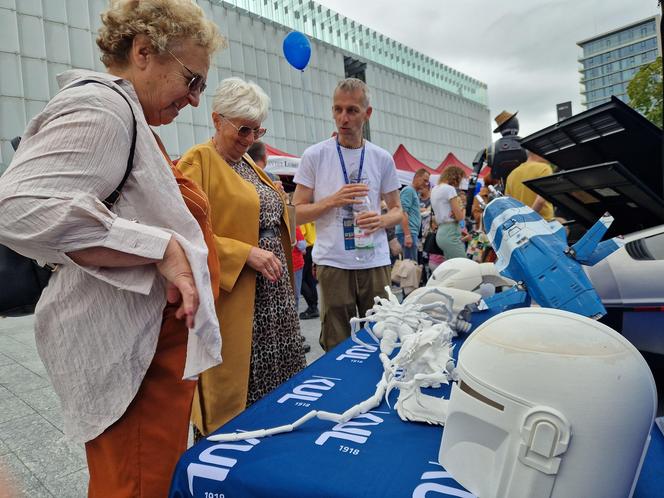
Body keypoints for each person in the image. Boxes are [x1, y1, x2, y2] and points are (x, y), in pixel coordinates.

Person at [0, 1, 224, 496]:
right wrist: (159, 247)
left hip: (147, 355)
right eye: (192, 80)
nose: (193, 99)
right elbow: (15, 206)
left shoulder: (127, 114)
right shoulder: (104, 106)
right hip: (137, 361)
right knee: (137, 485)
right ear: (144, 52)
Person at [177, 77, 306, 438]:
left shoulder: (248, 163)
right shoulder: (198, 161)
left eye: (257, 130)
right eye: (243, 129)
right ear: (217, 120)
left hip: (272, 303)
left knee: (275, 393)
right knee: (237, 397)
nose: (250, 138)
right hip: (239, 302)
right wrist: (243, 253)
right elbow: (182, 233)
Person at [292, 78, 403, 352]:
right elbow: (295, 214)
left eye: (352, 110)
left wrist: (381, 219)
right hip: (333, 263)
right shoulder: (314, 155)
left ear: (368, 114)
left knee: (382, 337)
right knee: (337, 343)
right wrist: (332, 201)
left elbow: (398, 211)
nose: (343, 118)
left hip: (374, 261)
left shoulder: (381, 158)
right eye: (337, 109)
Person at [504, 149, 555, 220]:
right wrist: (529, 218)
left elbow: (508, 204)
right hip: (543, 223)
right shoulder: (544, 168)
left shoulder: (512, 174)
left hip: (522, 225)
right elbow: (540, 201)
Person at [430, 166, 467, 260]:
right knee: (464, 266)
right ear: (455, 177)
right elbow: (460, 217)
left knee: (452, 266)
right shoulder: (449, 189)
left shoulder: (434, 189)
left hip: (441, 231)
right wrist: (460, 211)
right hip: (451, 231)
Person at [395, 168, 430, 261]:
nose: (426, 184)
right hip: (407, 233)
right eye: (425, 180)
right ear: (417, 177)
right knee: (409, 268)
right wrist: (407, 235)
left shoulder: (413, 192)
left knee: (410, 266)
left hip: (409, 232)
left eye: (427, 182)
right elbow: (403, 212)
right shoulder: (409, 190)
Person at [299, 221, 320, 319]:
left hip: (304, 249)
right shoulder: (311, 216)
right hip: (312, 246)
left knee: (300, 280)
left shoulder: (302, 214)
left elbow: (300, 233)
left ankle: (312, 306)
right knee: (309, 278)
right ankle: (313, 305)